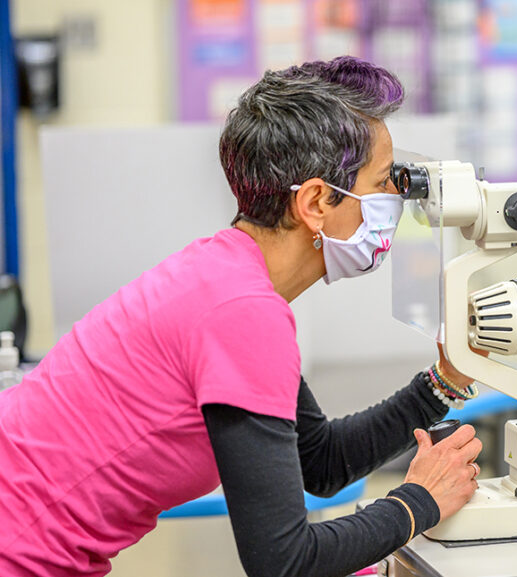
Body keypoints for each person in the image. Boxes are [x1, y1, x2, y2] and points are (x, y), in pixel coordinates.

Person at [0, 56, 484, 577]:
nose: (396, 199)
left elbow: (318, 460)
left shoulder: (223, 272)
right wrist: (418, 503)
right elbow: (283, 562)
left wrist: (445, 381)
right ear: (317, 202)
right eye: (384, 183)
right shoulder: (242, 313)